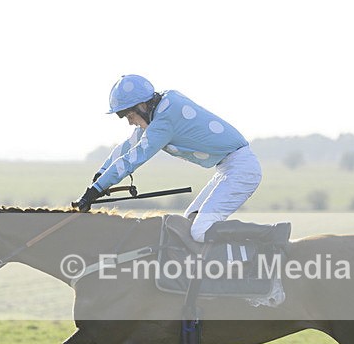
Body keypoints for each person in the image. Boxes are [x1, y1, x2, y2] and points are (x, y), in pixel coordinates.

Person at [74, 74, 262, 242]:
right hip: (227, 169)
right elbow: (128, 145)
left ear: (142, 106)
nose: (130, 121)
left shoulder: (163, 123)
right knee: (188, 225)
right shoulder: (162, 107)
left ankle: (266, 236)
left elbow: (133, 158)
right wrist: (100, 174)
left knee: (201, 230)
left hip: (241, 169)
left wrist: (95, 191)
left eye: (129, 115)